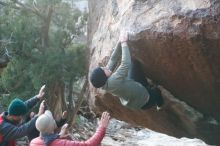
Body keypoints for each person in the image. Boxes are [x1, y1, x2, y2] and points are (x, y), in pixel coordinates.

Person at [90, 31, 163, 110]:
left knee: (134, 65)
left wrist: (119, 42)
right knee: (157, 91)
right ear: (104, 76)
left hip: (135, 91)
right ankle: (159, 105)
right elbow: (126, 63)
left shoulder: (104, 81)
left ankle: (146, 86)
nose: (105, 67)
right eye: (103, 69)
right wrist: (124, 42)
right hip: (145, 100)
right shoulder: (113, 81)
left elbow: (113, 59)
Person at [30, 110, 110, 146]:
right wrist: (102, 127)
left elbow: (47, 139)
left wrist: (60, 134)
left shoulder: (33, 142)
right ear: (52, 126)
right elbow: (89, 144)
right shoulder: (61, 144)